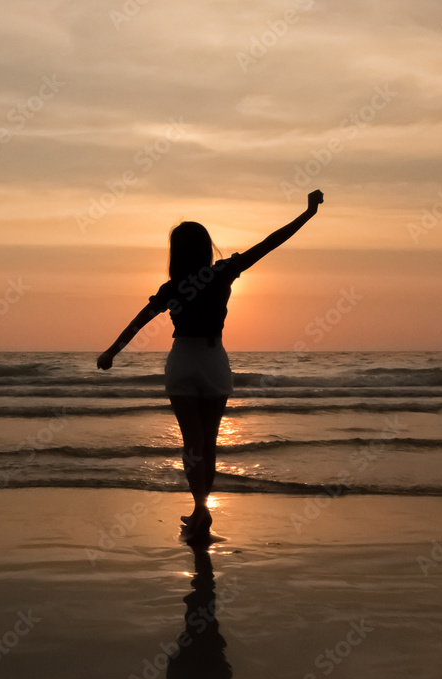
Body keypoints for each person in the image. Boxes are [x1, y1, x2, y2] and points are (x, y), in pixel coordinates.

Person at [97, 190, 324, 540]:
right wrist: (308, 213)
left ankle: (200, 508)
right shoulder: (221, 274)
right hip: (213, 359)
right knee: (210, 441)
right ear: (205, 248)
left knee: (192, 441)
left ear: (176, 253)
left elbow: (139, 322)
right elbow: (269, 243)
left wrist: (111, 352)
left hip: (183, 360)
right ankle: (202, 511)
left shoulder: (173, 287)